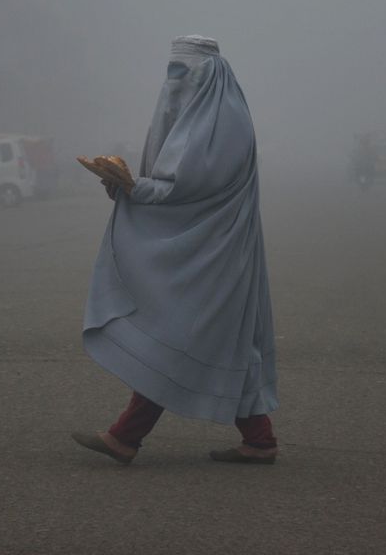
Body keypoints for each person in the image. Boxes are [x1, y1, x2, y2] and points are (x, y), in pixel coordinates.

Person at [72, 36, 279, 465]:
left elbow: (190, 187)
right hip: (205, 245)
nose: (173, 84)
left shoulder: (226, 120)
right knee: (230, 337)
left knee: (180, 331)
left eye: (181, 74)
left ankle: (125, 436)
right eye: (169, 74)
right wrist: (125, 185)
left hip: (218, 246)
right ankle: (259, 439)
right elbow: (167, 180)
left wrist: (136, 188)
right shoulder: (194, 115)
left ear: (206, 73)